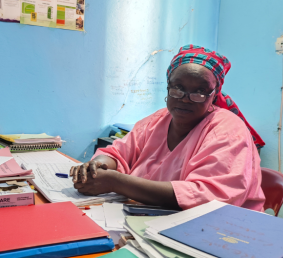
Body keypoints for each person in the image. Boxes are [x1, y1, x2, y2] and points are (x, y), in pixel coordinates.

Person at [70, 45, 266, 211]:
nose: (185, 98)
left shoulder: (227, 130)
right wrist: (98, 166)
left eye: (199, 91)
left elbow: (206, 199)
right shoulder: (157, 120)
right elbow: (119, 153)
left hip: (218, 231)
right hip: (151, 217)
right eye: (177, 88)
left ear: (214, 96)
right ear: (168, 87)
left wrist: (116, 182)